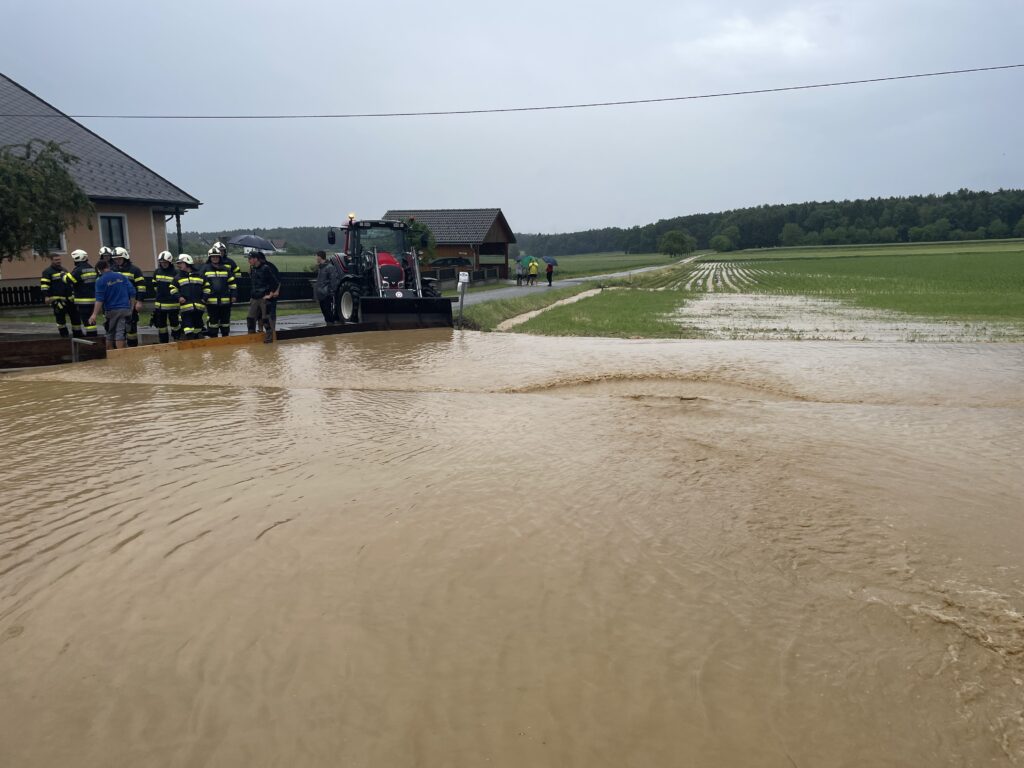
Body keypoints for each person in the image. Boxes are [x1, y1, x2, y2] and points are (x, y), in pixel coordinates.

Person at [90, 259, 136, 350]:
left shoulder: (100, 281)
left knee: (110, 333)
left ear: (99, 270)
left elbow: (99, 299)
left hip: (111, 310)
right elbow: (132, 292)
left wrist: (94, 314)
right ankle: (120, 356)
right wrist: (131, 307)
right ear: (108, 266)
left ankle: (111, 355)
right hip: (124, 309)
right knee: (120, 332)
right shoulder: (121, 276)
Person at [40, 253, 81, 337]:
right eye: (56, 260)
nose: (58, 261)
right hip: (57, 300)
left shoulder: (64, 270)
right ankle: (64, 335)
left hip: (69, 299)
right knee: (60, 319)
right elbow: (44, 285)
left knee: (75, 317)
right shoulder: (47, 272)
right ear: (51, 260)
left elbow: (70, 283)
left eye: (59, 259)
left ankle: (78, 334)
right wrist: (46, 296)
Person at [111, 247, 146, 347]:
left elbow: (141, 287)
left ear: (125, 257)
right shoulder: (112, 270)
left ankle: (132, 348)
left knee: (131, 328)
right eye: (115, 259)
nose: (117, 261)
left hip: (131, 303)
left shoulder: (135, 270)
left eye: (119, 259)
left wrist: (139, 301)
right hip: (115, 304)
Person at [201, 247, 237, 337]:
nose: (215, 258)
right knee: (213, 323)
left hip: (225, 302)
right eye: (213, 257)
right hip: (211, 302)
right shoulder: (205, 269)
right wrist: (203, 297)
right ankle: (214, 339)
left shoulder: (225, 269)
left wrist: (234, 295)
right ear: (210, 258)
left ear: (220, 257)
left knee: (225, 322)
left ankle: (225, 338)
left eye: (217, 257)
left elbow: (232, 284)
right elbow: (200, 284)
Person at [169, 255, 207, 339]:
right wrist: (179, 297)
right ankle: (190, 344)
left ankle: (197, 344)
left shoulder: (200, 275)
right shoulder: (177, 277)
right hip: (185, 308)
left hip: (198, 308)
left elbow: (207, 288)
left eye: (180, 263)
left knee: (198, 328)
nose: (178, 265)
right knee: (188, 329)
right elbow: (172, 289)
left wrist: (204, 298)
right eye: (178, 263)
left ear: (187, 263)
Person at [64, 249, 99, 337]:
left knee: (86, 318)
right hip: (94, 299)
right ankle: (93, 333)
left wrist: (62, 275)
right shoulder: (92, 268)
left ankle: (91, 336)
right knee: (92, 318)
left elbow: (69, 280)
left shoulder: (78, 270)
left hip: (83, 301)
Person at [247, 250, 280, 343]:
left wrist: (271, 294)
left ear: (256, 259)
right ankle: (251, 336)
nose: (248, 261)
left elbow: (275, 282)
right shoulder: (252, 269)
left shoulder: (265, 268)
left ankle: (269, 338)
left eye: (250, 259)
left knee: (265, 318)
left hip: (263, 297)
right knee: (250, 317)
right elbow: (254, 283)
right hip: (254, 297)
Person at [150, 251, 181, 343]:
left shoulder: (175, 273)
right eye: (162, 262)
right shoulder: (157, 271)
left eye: (165, 262)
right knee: (161, 326)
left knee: (175, 324)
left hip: (173, 304)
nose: (163, 264)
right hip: (160, 304)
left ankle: (177, 340)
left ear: (170, 262)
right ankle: (163, 342)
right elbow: (154, 285)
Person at [314, 250, 341, 324]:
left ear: (320, 257)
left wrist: (331, 291)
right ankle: (328, 325)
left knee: (328, 313)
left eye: (316, 256)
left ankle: (331, 327)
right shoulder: (320, 268)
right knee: (325, 313)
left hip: (327, 294)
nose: (316, 258)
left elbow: (333, 280)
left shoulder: (330, 267)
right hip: (321, 294)